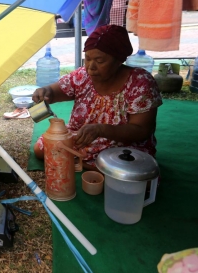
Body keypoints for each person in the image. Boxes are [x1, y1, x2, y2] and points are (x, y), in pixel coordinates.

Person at [32, 24, 162, 171]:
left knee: (129, 168)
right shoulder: (82, 76)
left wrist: (101, 130)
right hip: (84, 138)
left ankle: (86, 164)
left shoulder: (141, 83)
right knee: (41, 149)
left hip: (123, 144)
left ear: (119, 60)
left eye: (100, 61)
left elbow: (141, 130)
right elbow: (55, 91)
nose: (90, 67)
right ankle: (91, 165)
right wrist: (45, 91)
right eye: (87, 58)